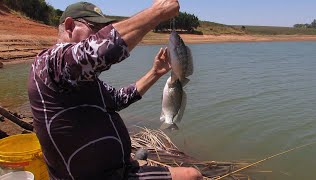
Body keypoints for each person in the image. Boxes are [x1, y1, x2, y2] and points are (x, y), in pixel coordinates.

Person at [27, 1, 203, 180]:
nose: (99, 35)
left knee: (191, 175)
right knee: (191, 176)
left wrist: (155, 73)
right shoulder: (48, 63)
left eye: (104, 30)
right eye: (96, 29)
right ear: (70, 26)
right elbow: (96, 51)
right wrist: (156, 13)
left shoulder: (84, 81)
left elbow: (119, 99)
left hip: (119, 171)